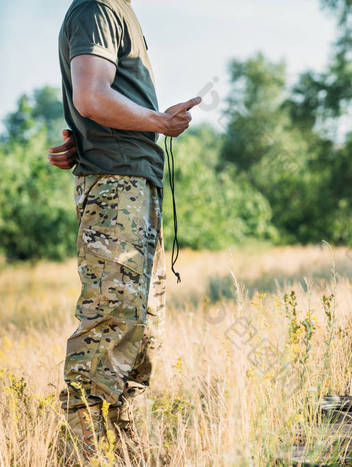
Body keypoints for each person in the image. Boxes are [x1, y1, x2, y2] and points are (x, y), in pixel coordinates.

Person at [49, 0, 201, 455]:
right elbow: (92, 97)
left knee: (141, 320)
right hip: (117, 186)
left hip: (134, 180)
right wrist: (160, 122)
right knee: (112, 315)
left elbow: (94, 103)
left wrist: (82, 139)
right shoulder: (96, 8)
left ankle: (118, 436)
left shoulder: (117, 10)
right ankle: (85, 447)